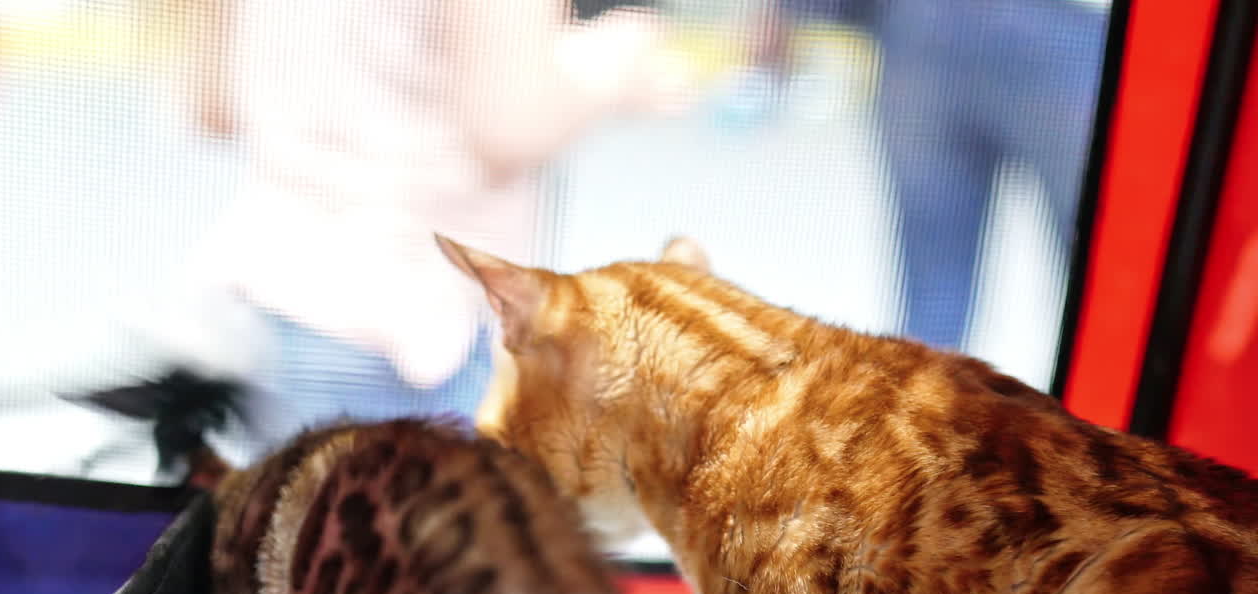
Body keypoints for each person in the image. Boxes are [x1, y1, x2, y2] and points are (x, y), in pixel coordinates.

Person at [185, 0, 692, 457]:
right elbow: (510, 128)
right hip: (401, 328)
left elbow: (212, 103)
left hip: (261, 296)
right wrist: (615, 60)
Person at [749, 0, 1110, 352]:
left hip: (930, 31)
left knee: (937, 296)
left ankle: (920, 406)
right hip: (1055, 34)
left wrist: (783, 10)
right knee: (1099, 285)